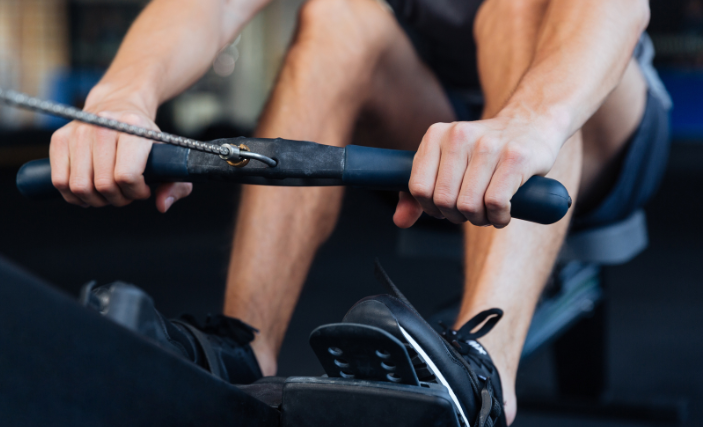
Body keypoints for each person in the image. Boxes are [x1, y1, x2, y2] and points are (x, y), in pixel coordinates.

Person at [49, 0, 671, 424]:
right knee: (337, 14)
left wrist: (531, 124)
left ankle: (485, 381)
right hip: (437, 134)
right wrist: (121, 96)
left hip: (592, 118)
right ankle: (243, 345)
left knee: (513, 8)